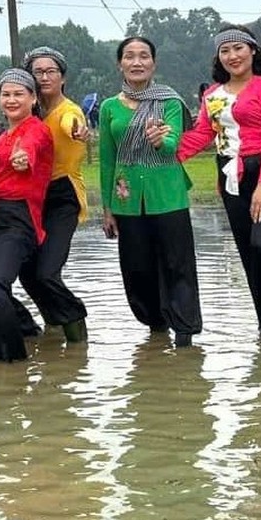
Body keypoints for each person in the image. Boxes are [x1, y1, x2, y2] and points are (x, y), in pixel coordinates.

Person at [177, 25, 261, 344]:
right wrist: (167, 151)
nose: (232, 56)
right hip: (233, 180)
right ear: (218, 58)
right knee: (250, 254)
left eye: (238, 48)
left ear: (252, 51)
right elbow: (202, 134)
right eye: (225, 51)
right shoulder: (213, 95)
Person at [99, 36, 202, 348]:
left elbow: (172, 146)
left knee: (177, 263)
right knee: (137, 267)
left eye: (144, 56)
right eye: (129, 56)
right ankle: (155, 327)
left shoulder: (169, 102)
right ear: (120, 64)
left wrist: (160, 140)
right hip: (127, 199)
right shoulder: (109, 107)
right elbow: (107, 159)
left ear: (153, 64)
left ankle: (184, 332)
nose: (137, 62)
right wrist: (107, 207)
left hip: (167, 195)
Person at [0, 68, 54, 362]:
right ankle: (29, 332)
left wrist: (23, 158)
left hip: (20, 219)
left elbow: (29, 149)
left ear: (33, 98)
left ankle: (12, 362)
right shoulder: (4, 136)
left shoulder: (36, 129)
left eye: (19, 93)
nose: (11, 99)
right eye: (6, 94)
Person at [15, 45, 89, 343]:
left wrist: (79, 130)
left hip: (63, 195)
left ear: (62, 77)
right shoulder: (29, 114)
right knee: (28, 272)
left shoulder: (67, 111)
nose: (44, 77)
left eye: (51, 71)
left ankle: (75, 327)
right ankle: (52, 327)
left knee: (46, 271)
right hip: (33, 198)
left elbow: (73, 124)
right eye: (38, 72)